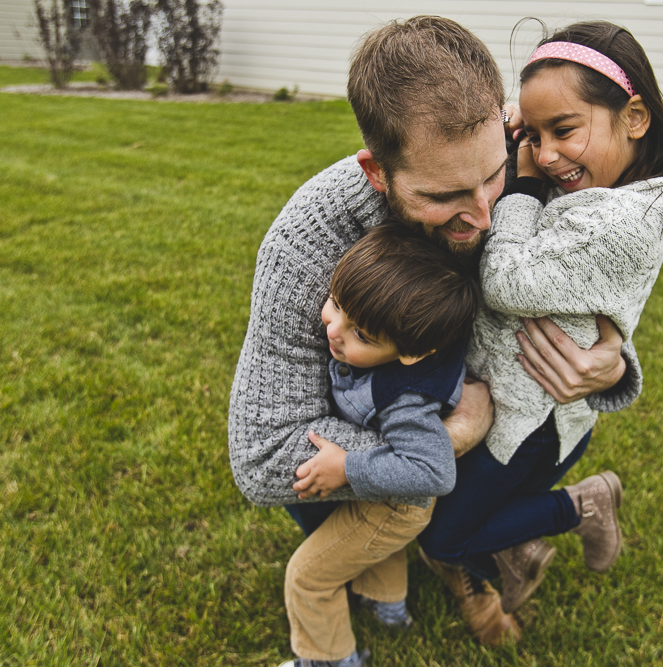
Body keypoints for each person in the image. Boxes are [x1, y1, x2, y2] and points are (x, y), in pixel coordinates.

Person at [228, 16, 635, 650]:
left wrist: (615, 360)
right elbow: (261, 452)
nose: (484, 213)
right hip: (410, 421)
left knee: (460, 506)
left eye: (494, 176)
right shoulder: (306, 242)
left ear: (504, 125)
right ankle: (447, 544)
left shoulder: (530, 163)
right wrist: (448, 439)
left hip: (521, 418)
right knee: (349, 484)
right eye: (445, 195)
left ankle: (468, 551)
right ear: (376, 172)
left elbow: (599, 281)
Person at [416, 20, 663, 614]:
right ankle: (516, 556)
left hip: (533, 420)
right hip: (504, 396)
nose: (545, 155)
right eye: (535, 132)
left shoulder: (625, 223)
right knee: (455, 505)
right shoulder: (592, 184)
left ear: (635, 116)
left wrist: (521, 184)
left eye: (565, 130)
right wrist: (504, 132)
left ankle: (584, 505)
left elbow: (506, 279)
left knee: (445, 535)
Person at [280, 223, 478, 667]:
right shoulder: (378, 339)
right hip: (389, 502)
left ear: (411, 353)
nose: (335, 330)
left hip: (398, 506)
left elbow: (434, 472)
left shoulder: (405, 398)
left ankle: (328, 660)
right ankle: (386, 607)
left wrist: (350, 467)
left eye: (362, 336)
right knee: (369, 543)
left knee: (307, 577)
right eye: (336, 304)